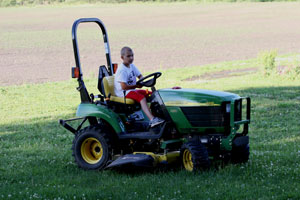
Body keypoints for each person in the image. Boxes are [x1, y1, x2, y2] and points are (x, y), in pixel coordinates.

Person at [114, 46, 165, 127]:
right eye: (128, 56)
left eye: (132, 55)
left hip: (131, 90)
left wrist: (145, 82)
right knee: (141, 98)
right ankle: (152, 119)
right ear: (122, 57)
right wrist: (137, 85)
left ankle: (158, 115)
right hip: (123, 93)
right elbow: (123, 87)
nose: (131, 58)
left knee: (151, 94)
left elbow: (140, 76)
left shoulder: (132, 66)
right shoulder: (122, 70)